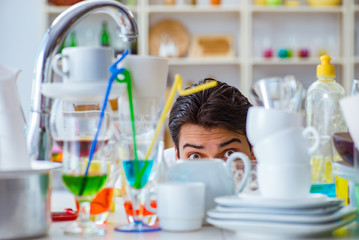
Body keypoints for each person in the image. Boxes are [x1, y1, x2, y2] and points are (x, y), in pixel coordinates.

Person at [164, 78, 255, 165]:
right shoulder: (155, 174)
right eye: (195, 156)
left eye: (229, 153)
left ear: (253, 150)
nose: (214, 173)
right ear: (177, 155)